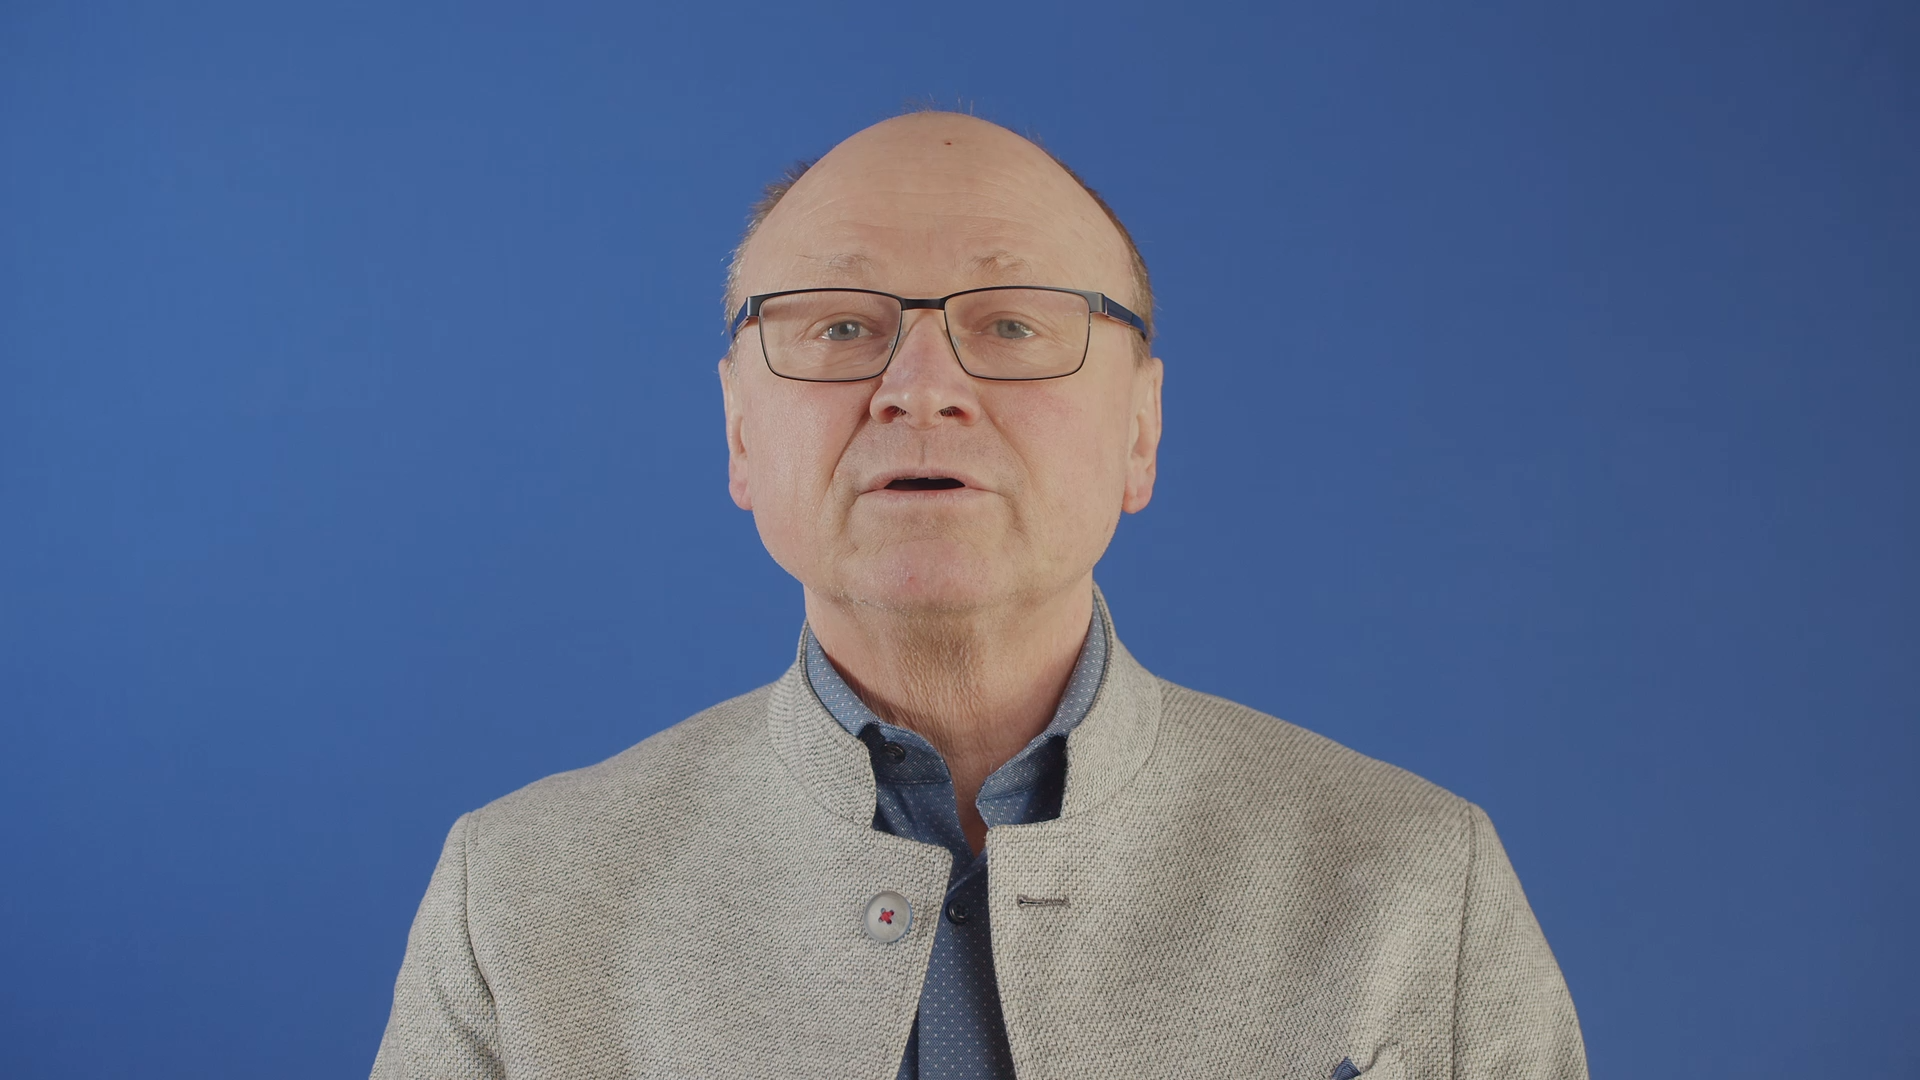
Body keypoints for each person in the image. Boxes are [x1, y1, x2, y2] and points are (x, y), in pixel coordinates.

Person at [372, 111, 1587, 1080]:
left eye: (1010, 325)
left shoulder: (1419, 883)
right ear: (739, 432)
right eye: (839, 327)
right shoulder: (519, 899)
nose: (920, 386)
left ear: (1142, 431)